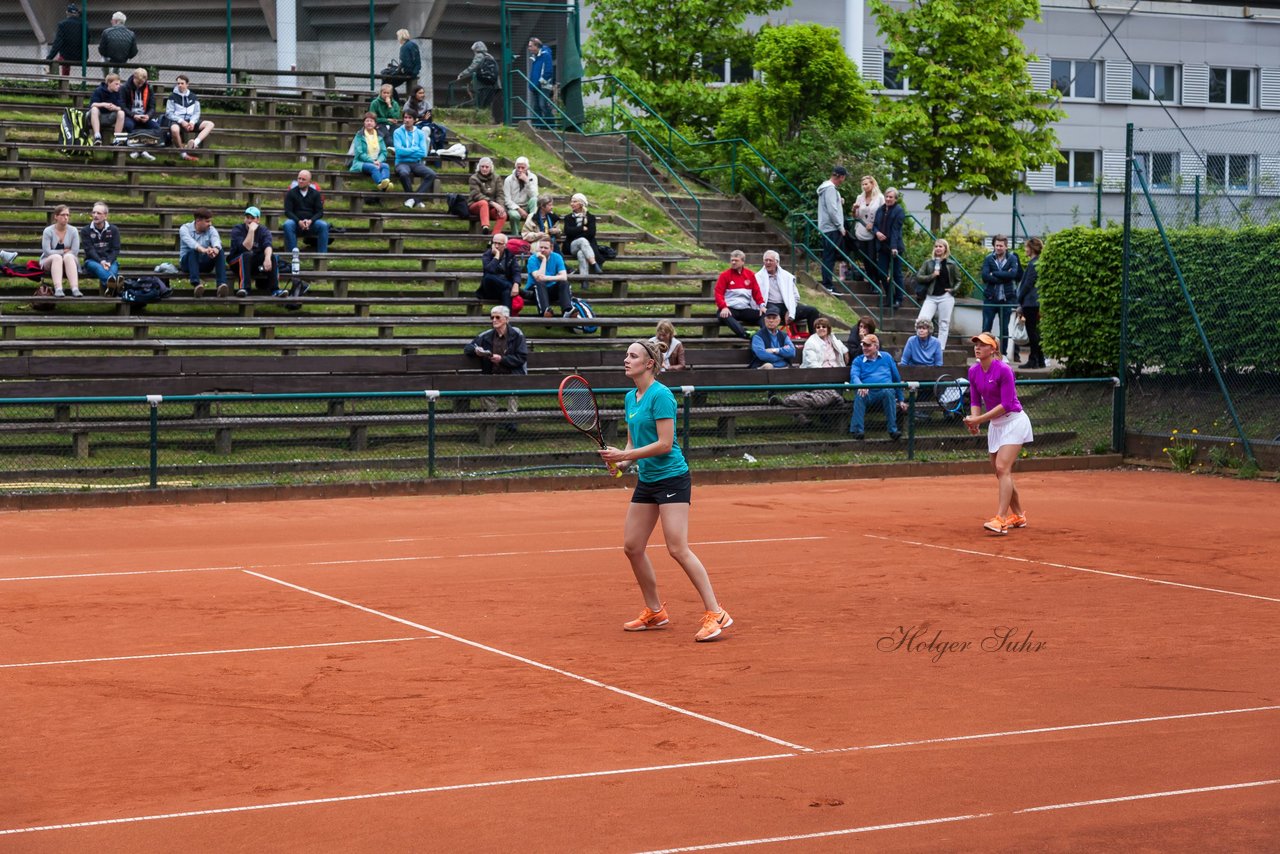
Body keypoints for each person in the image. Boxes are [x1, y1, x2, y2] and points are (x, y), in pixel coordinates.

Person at [600, 340, 733, 643]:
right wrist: (622, 461)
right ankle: (655, 610)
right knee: (632, 546)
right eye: (626, 355)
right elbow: (634, 444)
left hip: (672, 478)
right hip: (648, 479)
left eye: (632, 356)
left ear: (649, 364)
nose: (626, 359)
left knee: (677, 548)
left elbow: (664, 443)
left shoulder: (662, 396)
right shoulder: (631, 397)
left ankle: (717, 613)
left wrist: (626, 456)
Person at [964, 332, 1033, 535]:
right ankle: (1019, 515)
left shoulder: (1004, 370)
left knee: (1003, 467)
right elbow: (976, 400)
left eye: (982, 344)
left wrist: (979, 420)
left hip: (1014, 421)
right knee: (1000, 472)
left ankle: (1001, 519)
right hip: (995, 426)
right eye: (976, 344)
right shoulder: (973, 371)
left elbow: (1006, 404)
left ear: (993, 349)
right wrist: (974, 421)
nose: (977, 347)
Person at [848, 333, 907, 440]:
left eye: (868, 345)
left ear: (876, 346)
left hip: (884, 392)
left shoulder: (887, 357)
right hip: (867, 392)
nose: (865, 348)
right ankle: (857, 430)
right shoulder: (858, 360)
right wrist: (860, 385)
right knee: (860, 395)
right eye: (863, 345)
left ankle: (893, 430)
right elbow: (854, 376)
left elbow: (896, 379)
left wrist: (901, 399)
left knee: (889, 391)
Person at [754, 250, 820, 335]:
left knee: (812, 311)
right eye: (766, 260)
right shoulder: (757, 277)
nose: (768, 262)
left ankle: (814, 339)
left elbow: (796, 297)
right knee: (773, 312)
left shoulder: (787, 276)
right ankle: (770, 341)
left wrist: (790, 310)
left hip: (786, 306)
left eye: (770, 260)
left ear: (777, 262)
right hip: (770, 305)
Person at [914, 237, 961, 352]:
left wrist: (953, 290)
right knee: (921, 320)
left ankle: (940, 349)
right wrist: (932, 276)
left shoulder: (951, 264)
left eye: (941, 246)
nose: (938, 248)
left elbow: (958, 280)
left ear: (945, 249)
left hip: (946, 297)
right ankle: (922, 346)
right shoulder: (928, 263)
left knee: (944, 324)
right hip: (931, 296)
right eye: (936, 246)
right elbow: (919, 277)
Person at [980, 234, 1022, 357]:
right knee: (986, 327)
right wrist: (1004, 276)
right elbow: (985, 276)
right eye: (996, 245)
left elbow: (1013, 274)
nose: (998, 248)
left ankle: (1002, 355)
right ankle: (983, 354)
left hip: (1006, 298)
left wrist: (995, 274)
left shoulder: (1012, 258)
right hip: (990, 298)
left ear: (1006, 246)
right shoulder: (988, 258)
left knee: (1004, 328)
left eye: (1001, 246)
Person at [283, 169, 329, 271]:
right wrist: (298, 221)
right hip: (296, 223)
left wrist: (310, 221)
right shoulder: (291, 193)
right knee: (287, 224)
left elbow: (320, 212)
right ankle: (293, 258)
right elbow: (288, 211)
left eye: (303, 179)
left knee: (323, 225)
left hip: (311, 223)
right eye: (299, 178)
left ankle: (322, 257)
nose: (300, 181)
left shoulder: (315, 194)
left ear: (309, 182)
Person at [227, 206, 278, 298]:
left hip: (254, 264)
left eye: (252, 218)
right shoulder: (237, 229)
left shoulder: (264, 230)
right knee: (246, 255)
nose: (249, 220)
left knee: (271, 256)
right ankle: (244, 289)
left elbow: (268, 245)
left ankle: (275, 290)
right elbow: (246, 248)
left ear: (258, 220)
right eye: (247, 217)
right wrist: (251, 231)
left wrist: (267, 258)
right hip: (236, 262)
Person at [464, 304, 528, 376]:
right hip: (491, 378)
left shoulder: (517, 334)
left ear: (506, 319)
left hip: (513, 377)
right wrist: (476, 350)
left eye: (498, 317)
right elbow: (467, 348)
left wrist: (502, 359)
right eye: (492, 317)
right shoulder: (487, 335)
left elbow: (521, 357)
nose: (494, 320)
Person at [714, 250, 764, 340]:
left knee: (764, 315)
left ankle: (766, 336)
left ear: (742, 261)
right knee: (724, 315)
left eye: (736, 260)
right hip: (729, 308)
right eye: (732, 260)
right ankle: (745, 333)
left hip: (744, 309)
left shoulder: (750, 275)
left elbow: (756, 292)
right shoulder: (724, 275)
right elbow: (718, 293)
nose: (733, 262)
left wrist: (761, 305)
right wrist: (723, 307)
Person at [392, 112, 438, 208]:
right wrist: (415, 149)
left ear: (415, 120)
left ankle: (413, 199)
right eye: (405, 117)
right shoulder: (397, 132)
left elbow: (423, 153)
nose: (407, 120)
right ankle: (414, 200)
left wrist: (407, 151)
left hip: (416, 163)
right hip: (401, 162)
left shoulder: (420, 133)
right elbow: (399, 152)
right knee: (404, 173)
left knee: (431, 174)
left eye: (409, 118)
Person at [179, 208, 227, 296]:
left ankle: (221, 285)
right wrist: (204, 250)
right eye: (207, 221)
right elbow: (191, 243)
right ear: (198, 221)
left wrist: (215, 249)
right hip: (187, 264)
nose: (210, 224)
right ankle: (196, 284)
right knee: (193, 251)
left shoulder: (211, 229)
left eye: (210, 221)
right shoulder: (184, 228)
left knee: (220, 251)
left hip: (204, 263)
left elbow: (216, 239)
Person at [165, 74, 215, 159]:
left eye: (182, 83)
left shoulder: (193, 97)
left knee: (210, 124)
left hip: (191, 121)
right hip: (178, 121)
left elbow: (196, 113)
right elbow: (169, 113)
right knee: (174, 130)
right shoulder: (172, 96)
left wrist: (192, 122)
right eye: (178, 83)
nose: (180, 85)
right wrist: (182, 121)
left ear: (187, 84)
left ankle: (194, 143)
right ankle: (183, 154)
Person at [525, 234, 576, 318]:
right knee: (540, 283)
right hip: (534, 291)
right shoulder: (532, 259)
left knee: (564, 283)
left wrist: (545, 278)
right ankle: (545, 312)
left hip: (550, 290)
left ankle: (567, 311)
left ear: (551, 249)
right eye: (541, 247)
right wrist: (544, 260)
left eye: (545, 248)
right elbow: (538, 278)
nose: (542, 250)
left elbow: (564, 277)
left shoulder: (557, 257)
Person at [873, 187, 906, 309]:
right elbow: (875, 225)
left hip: (894, 246)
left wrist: (894, 247)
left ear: (895, 199)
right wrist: (877, 233)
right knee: (881, 272)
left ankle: (899, 299)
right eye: (887, 196)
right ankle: (889, 297)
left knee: (896, 274)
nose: (888, 199)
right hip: (882, 246)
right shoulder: (880, 210)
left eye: (891, 197)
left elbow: (895, 230)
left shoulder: (899, 211)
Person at [816, 165, 848, 292]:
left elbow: (831, 204)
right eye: (843, 178)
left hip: (826, 227)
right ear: (840, 177)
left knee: (828, 256)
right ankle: (828, 284)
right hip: (831, 228)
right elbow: (832, 210)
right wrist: (840, 226)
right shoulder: (830, 189)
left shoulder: (827, 188)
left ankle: (827, 283)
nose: (843, 180)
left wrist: (839, 200)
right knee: (829, 256)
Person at [40, 204, 82, 297]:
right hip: (49, 261)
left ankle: (75, 288)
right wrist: (62, 251)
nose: (66, 217)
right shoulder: (48, 231)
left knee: (69, 256)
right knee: (57, 257)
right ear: (56, 216)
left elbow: (74, 251)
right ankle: (58, 288)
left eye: (67, 215)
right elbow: (47, 251)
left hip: (69, 261)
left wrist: (66, 255)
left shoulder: (73, 230)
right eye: (63, 215)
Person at [80, 201, 121, 295]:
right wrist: (101, 261)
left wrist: (109, 261)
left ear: (105, 216)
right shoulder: (85, 230)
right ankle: (119, 287)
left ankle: (112, 289)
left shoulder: (114, 230)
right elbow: (89, 250)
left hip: (110, 261)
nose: (95, 215)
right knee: (101, 269)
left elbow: (116, 249)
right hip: (92, 261)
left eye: (98, 213)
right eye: (93, 212)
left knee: (112, 271)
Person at [850, 175, 884, 285]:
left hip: (873, 232)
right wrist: (854, 209)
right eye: (863, 184)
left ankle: (876, 282)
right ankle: (871, 282)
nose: (864, 186)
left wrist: (874, 224)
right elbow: (856, 216)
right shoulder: (859, 197)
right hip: (861, 231)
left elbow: (883, 214)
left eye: (866, 184)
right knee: (865, 258)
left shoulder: (880, 197)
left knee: (872, 258)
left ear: (872, 184)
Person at [1017, 237, 1045, 369]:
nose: (1025, 250)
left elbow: (1027, 284)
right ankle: (1040, 360)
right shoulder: (1037, 262)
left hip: (1030, 302)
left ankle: (1033, 360)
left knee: (1032, 331)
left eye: (1027, 247)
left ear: (1032, 248)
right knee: (1034, 331)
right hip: (1034, 302)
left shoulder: (1033, 264)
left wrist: (1020, 299)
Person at [457, 41, 502, 121]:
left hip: (484, 85)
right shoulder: (490, 56)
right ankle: (489, 119)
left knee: (480, 104)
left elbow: (473, 67)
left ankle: (481, 120)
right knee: (488, 105)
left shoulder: (479, 56)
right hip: (493, 84)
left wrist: (462, 74)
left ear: (476, 49)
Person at [562, 193, 603, 279]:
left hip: (585, 247)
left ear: (581, 204)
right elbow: (567, 231)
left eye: (574, 201)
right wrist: (581, 229)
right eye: (571, 201)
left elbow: (591, 233)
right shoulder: (568, 218)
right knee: (582, 240)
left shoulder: (590, 217)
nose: (571, 204)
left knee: (581, 253)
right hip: (571, 246)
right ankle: (594, 264)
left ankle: (584, 280)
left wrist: (575, 232)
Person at [478, 232, 522, 311]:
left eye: (499, 243)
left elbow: (516, 271)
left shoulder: (510, 256)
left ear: (505, 245)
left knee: (507, 292)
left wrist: (516, 284)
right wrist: (497, 256)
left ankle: (507, 318)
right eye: (494, 243)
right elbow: (489, 270)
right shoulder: (487, 255)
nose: (496, 246)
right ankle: (521, 292)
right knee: (488, 277)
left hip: (503, 289)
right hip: (489, 289)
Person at [349, 113, 392, 191]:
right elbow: (360, 153)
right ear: (364, 123)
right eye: (367, 121)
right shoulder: (359, 135)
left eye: (371, 121)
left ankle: (385, 181)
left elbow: (384, 152)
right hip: (361, 162)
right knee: (373, 167)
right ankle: (382, 185)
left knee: (385, 165)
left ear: (375, 123)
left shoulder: (380, 136)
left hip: (377, 161)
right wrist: (372, 161)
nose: (369, 123)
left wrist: (378, 161)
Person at [468, 157, 507, 235]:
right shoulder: (473, 178)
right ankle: (485, 226)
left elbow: (500, 194)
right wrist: (492, 203)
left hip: (491, 208)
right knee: (483, 202)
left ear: (490, 168)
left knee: (503, 214)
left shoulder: (497, 178)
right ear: (479, 167)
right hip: (476, 205)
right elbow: (476, 195)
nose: (484, 169)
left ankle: (493, 239)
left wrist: (500, 207)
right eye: (482, 166)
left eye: (486, 167)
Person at [87, 72, 127, 145]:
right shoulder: (99, 90)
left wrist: (115, 108)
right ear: (109, 83)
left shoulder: (119, 92)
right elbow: (92, 104)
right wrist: (104, 104)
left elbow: (123, 107)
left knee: (121, 112)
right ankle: (97, 136)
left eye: (119, 84)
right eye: (116, 84)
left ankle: (117, 139)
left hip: (111, 117)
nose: (118, 86)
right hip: (98, 117)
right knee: (94, 109)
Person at [45, 4, 84, 77]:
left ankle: (64, 79)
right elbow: (87, 40)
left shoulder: (62, 24)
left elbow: (58, 43)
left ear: (67, 13)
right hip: (81, 56)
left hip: (66, 56)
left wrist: (49, 58)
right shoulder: (84, 24)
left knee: (59, 59)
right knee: (62, 57)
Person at [503, 157, 540, 232]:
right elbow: (507, 200)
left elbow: (534, 195)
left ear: (527, 168)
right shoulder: (508, 179)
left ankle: (531, 230)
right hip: (514, 207)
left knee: (534, 200)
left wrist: (527, 181)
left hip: (527, 205)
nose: (520, 170)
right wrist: (519, 209)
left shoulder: (533, 177)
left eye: (523, 168)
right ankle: (515, 235)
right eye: (518, 167)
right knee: (514, 216)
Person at [527, 37, 555, 127]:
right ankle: (539, 127)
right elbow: (534, 73)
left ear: (536, 46)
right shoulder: (535, 57)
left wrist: (539, 83)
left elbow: (548, 71)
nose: (529, 48)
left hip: (543, 86)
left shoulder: (546, 55)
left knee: (543, 105)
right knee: (537, 107)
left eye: (530, 46)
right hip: (535, 86)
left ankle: (551, 126)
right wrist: (532, 84)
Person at [122, 67, 159, 133]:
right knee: (128, 126)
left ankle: (144, 138)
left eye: (142, 83)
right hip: (130, 116)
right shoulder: (125, 88)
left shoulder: (149, 88)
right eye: (138, 83)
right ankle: (135, 139)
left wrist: (148, 116)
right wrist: (133, 115)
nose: (140, 85)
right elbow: (123, 106)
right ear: (134, 78)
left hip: (144, 116)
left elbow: (152, 107)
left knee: (156, 127)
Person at [369, 83, 402, 150]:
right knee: (388, 140)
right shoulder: (375, 103)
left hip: (392, 124)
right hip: (380, 124)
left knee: (398, 132)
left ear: (391, 94)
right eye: (384, 93)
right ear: (381, 93)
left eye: (388, 93)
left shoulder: (394, 104)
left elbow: (396, 117)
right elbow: (372, 119)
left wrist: (389, 105)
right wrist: (387, 120)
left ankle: (395, 149)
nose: (386, 95)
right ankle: (392, 149)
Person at [393, 29, 421, 99]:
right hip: (414, 72)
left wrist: (401, 70)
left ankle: (396, 101)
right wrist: (415, 71)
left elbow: (406, 62)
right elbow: (417, 61)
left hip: (408, 72)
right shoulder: (414, 45)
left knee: (387, 84)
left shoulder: (404, 47)